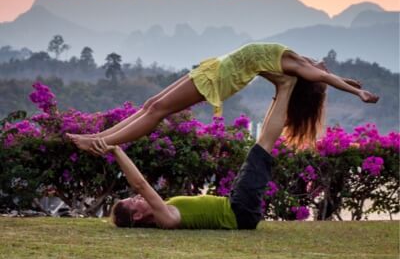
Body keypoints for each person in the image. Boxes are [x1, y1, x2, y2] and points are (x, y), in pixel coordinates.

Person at [67, 42, 379, 153]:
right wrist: (349, 81)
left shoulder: (302, 68)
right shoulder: (303, 61)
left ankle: (102, 144)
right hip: (215, 68)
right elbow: (326, 74)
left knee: (158, 110)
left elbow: (324, 77)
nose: (326, 67)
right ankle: (98, 137)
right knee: (152, 104)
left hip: (220, 79)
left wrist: (357, 92)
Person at [84, 74, 298, 229]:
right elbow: (140, 183)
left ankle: (282, 92)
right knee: (263, 147)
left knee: (260, 146)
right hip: (239, 212)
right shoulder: (166, 218)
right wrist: (115, 148)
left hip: (236, 205)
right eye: (133, 202)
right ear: (138, 215)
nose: (137, 196)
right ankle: (287, 87)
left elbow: (140, 188)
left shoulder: (166, 210)